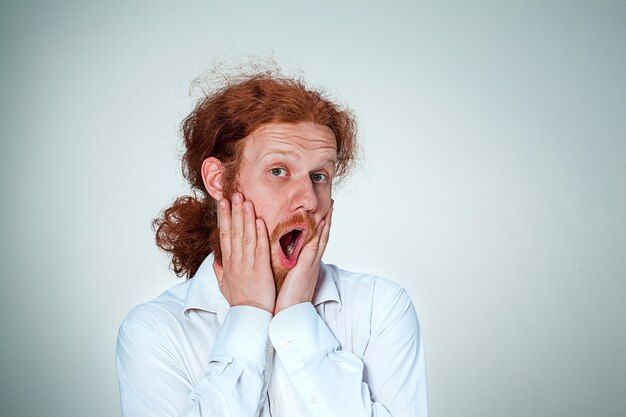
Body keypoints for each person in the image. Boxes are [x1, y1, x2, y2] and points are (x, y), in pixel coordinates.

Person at [116, 68, 428, 417]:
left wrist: (296, 318)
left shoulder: (378, 310)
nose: (309, 200)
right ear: (219, 180)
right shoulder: (155, 332)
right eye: (279, 171)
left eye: (319, 176)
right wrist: (249, 315)